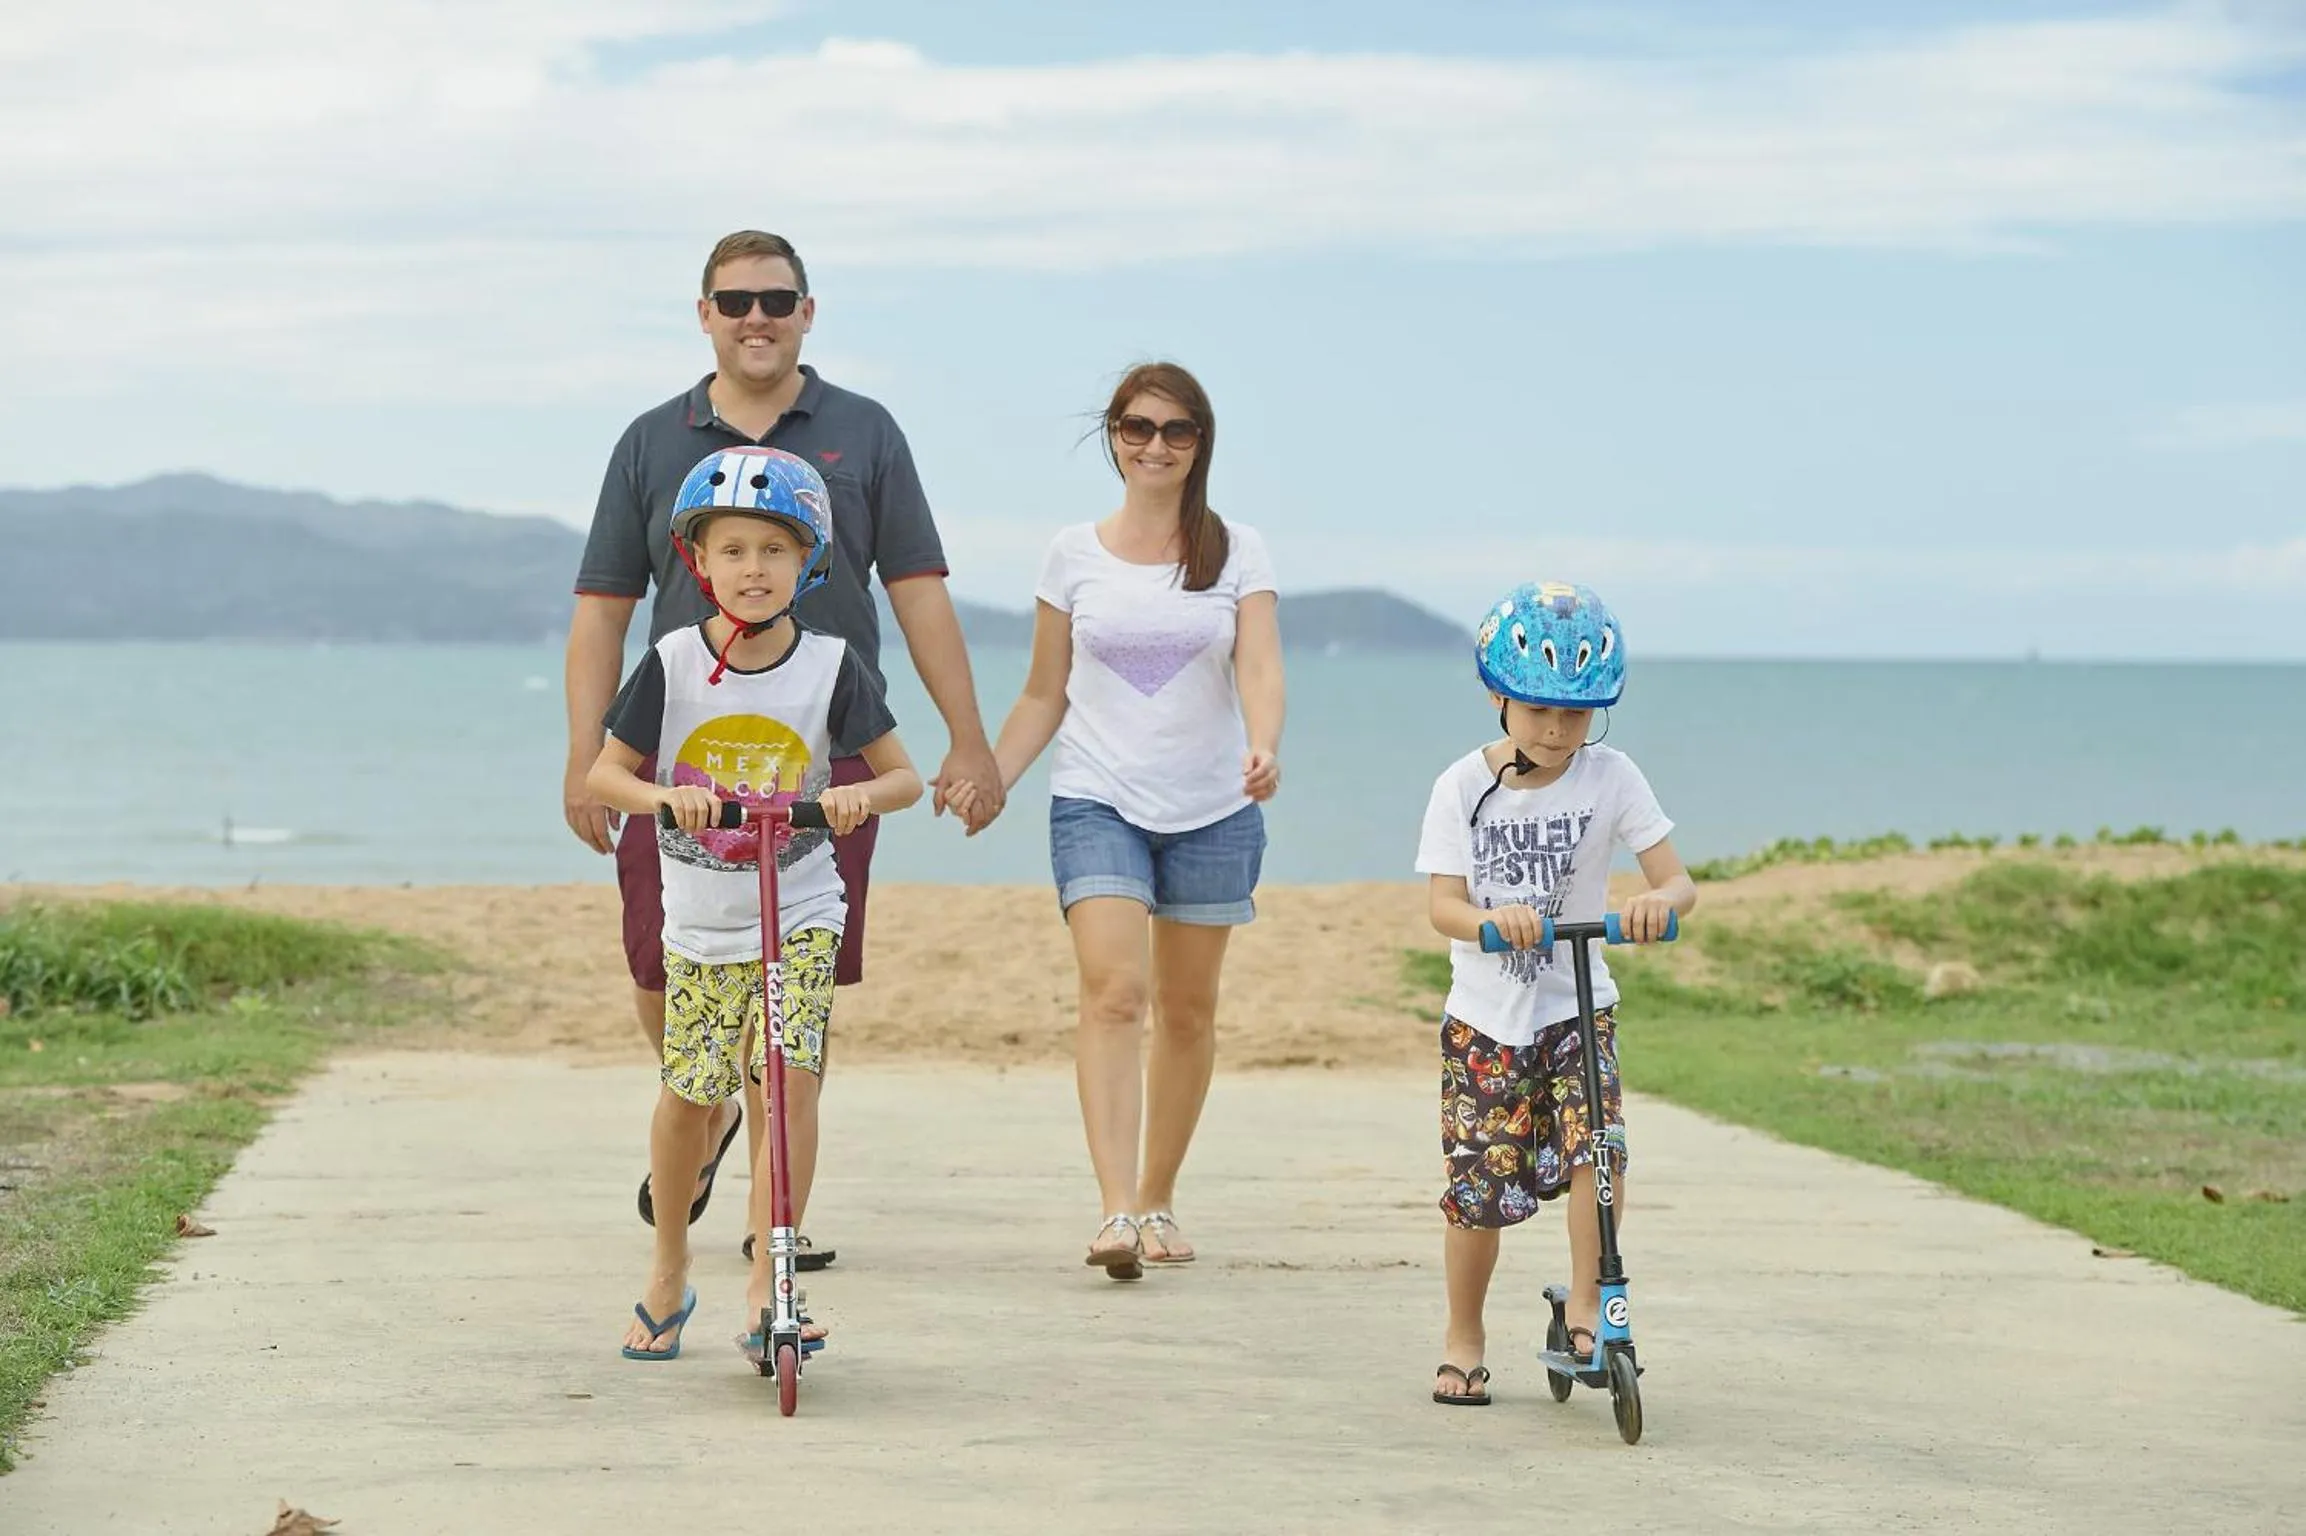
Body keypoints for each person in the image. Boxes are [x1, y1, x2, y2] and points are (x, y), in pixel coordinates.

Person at [564, 230, 1000, 1268]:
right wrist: (586, 758)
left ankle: (776, 1227)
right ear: (703, 314)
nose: (755, 317)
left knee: (793, 1003)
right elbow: (599, 611)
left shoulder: (863, 431)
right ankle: (704, 1117)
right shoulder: (647, 441)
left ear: (808, 310)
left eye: (775, 299)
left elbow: (919, 591)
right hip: (676, 761)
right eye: (734, 301)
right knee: (657, 977)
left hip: (826, 755)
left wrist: (966, 740)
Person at [941, 362, 1283, 1278]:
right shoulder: (1071, 554)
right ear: (1114, 437)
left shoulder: (1238, 549)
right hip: (1097, 798)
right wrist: (994, 777)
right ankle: (1116, 1211)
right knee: (1113, 992)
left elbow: (1259, 666)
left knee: (1185, 1009)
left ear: (1200, 443)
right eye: (1137, 428)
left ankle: (1162, 1197)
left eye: (1176, 431)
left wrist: (1265, 742)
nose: (1155, 446)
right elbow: (1043, 693)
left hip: (1214, 807)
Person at [587, 445, 922, 1359]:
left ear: (807, 561)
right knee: (689, 1094)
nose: (754, 569)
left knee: (788, 1078)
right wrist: (664, 798)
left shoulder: (831, 665)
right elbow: (605, 774)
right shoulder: (671, 663)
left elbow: (904, 780)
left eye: (774, 551)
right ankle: (667, 1272)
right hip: (703, 914)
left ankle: (767, 1282)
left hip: (803, 902)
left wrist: (856, 795)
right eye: (733, 550)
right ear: (701, 562)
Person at [1413, 581, 1697, 1406]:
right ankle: (1463, 1335)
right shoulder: (1461, 787)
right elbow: (1441, 906)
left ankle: (1589, 1305)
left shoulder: (1613, 778)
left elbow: (1678, 882)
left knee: (1596, 1149)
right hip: (1485, 1020)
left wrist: (1653, 905)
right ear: (1499, 696)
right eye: (1539, 709)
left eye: (1576, 715)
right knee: (1479, 1189)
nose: (1556, 729)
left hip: (1577, 1005)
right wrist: (1489, 920)